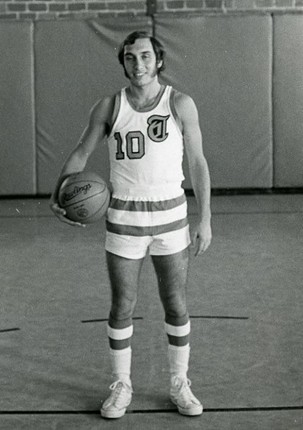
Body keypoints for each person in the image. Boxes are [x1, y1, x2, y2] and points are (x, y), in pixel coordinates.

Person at [50, 30, 212, 419]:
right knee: (122, 305)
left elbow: (198, 163)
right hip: (124, 219)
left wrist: (205, 218)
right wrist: (57, 195)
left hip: (171, 218)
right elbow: (81, 152)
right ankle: (122, 385)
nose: (137, 65)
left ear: (158, 60)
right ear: (122, 63)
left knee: (176, 304)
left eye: (144, 57)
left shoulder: (180, 103)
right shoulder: (109, 107)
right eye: (129, 58)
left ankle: (179, 382)